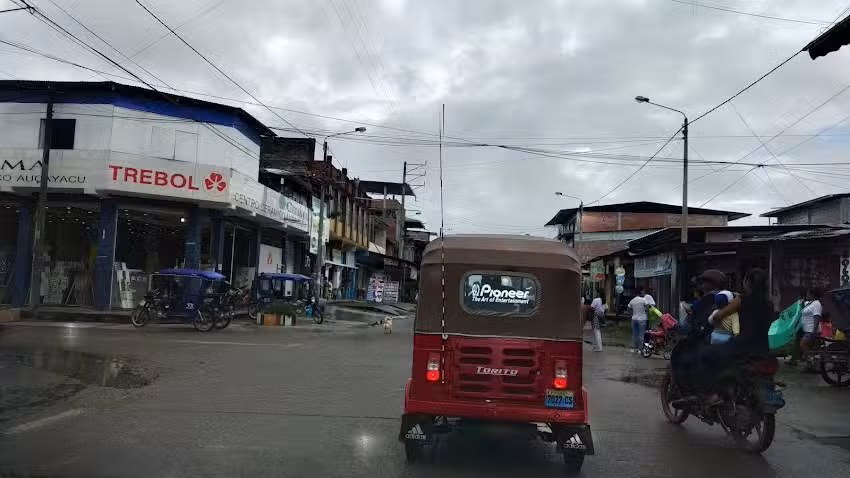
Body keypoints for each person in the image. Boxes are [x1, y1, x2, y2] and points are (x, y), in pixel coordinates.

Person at [699, 268, 775, 405]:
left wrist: (713, 317)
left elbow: (721, 314)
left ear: (748, 283)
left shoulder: (742, 300)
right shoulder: (769, 304)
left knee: (706, 354)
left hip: (742, 346)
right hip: (763, 349)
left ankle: (713, 393)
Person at [671, 269, 726, 395]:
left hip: (707, 341)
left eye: (704, 282)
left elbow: (686, 326)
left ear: (710, 284)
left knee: (683, 357)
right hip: (733, 342)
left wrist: (675, 326)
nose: (701, 286)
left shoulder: (706, 301)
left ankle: (690, 391)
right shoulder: (734, 297)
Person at [800, 287, 824, 372]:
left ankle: (812, 361)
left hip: (811, 330)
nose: (806, 295)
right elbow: (802, 305)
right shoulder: (809, 303)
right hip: (807, 330)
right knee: (811, 349)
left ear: (812, 294)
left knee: (803, 344)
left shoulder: (816, 304)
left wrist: (814, 331)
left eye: (807, 293)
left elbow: (817, 318)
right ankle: (811, 366)